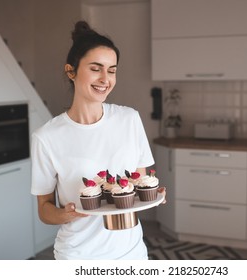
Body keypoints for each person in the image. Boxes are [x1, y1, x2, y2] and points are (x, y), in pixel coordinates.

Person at [30, 20, 165, 260]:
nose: (106, 78)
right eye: (96, 68)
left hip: (131, 252)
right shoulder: (47, 138)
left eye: (111, 70)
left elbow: (138, 183)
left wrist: (150, 195)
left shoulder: (129, 119)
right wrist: (66, 214)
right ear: (70, 71)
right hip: (79, 255)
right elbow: (44, 208)